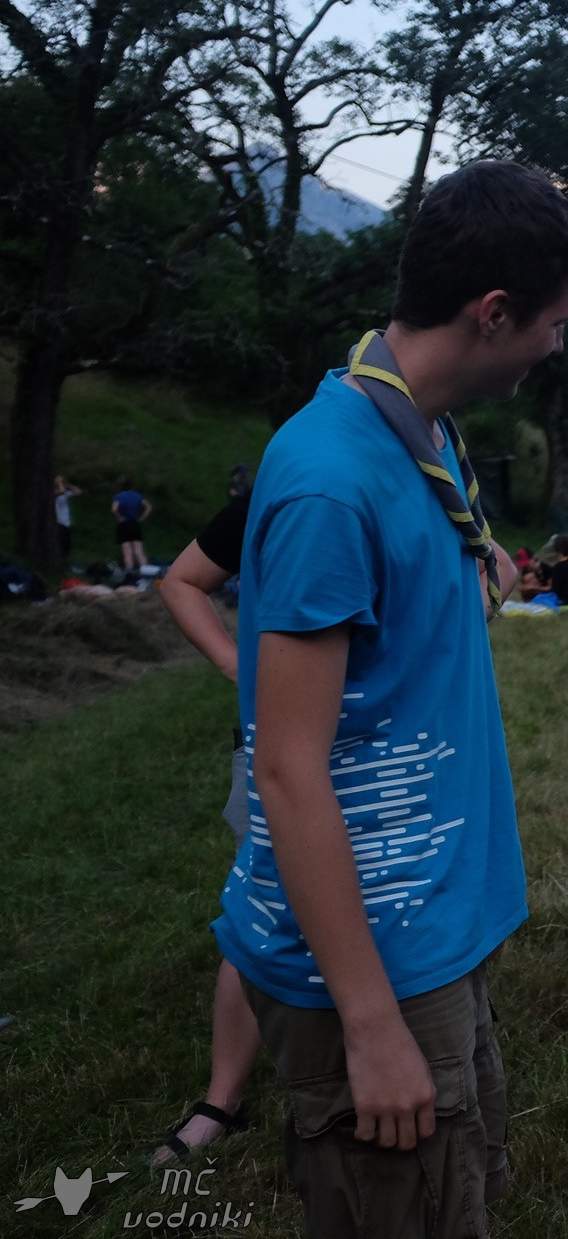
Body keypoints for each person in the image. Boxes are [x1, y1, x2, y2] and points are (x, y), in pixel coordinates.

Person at [212, 160, 568, 1237]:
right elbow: (286, 768)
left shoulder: (425, 433)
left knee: (458, 1195)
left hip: (430, 920)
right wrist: (371, 1022)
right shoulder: (330, 481)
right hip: (372, 957)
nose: (556, 345)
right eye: (555, 323)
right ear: (493, 312)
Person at [152, 492, 259, 1164]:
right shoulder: (281, 489)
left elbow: (497, 569)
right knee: (261, 907)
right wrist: (235, 664)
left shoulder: (430, 478)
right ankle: (223, 1099)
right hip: (278, 740)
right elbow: (182, 580)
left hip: (400, 747)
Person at [112, 478, 151, 571]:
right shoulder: (137, 495)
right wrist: (141, 518)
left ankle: (129, 572)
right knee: (139, 552)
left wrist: (119, 518)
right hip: (135, 524)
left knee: (127, 552)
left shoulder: (119, 496)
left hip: (124, 524)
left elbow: (114, 509)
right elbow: (148, 507)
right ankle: (146, 572)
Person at [52, 475, 82, 563]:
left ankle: (64, 561)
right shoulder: (53, 492)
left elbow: (78, 492)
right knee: (60, 543)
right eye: (58, 481)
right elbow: (61, 491)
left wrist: (67, 484)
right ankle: (58, 560)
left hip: (66, 522)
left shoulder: (65, 492)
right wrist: (60, 484)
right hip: (58, 522)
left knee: (67, 544)